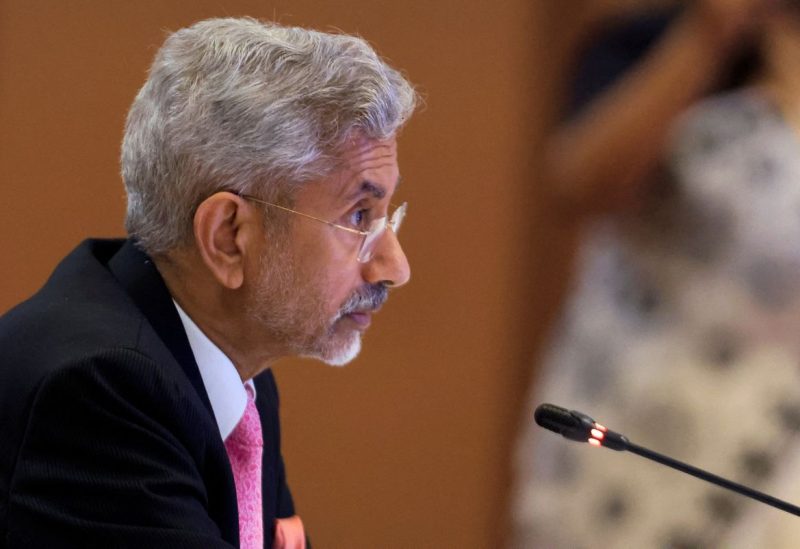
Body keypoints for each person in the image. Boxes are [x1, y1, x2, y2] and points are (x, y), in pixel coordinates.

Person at [0, 17, 417, 548]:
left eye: (386, 215)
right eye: (359, 216)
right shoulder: (98, 390)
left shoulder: (237, 379)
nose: (394, 267)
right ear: (228, 236)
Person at [511, 0, 800, 547]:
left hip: (779, 466)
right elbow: (576, 186)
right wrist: (709, 37)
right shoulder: (646, 42)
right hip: (639, 443)